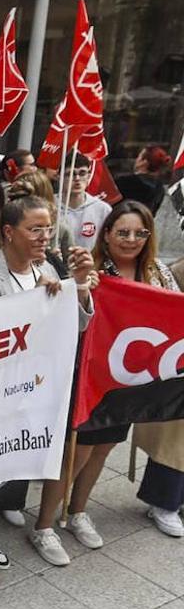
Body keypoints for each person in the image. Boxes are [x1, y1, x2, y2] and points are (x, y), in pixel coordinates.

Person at [0, 197, 98, 567]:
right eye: (34, 228)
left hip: (37, 387)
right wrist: (37, 302)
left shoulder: (49, 269)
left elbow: (77, 325)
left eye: (47, 228)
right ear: (9, 232)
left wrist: (80, 290)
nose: (44, 236)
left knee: (13, 458)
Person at [89, 202, 184, 537]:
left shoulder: (158, 272)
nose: (131, 239)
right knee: (81, 450)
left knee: (104, 448)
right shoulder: (94, 270)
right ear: (107, 234)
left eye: (139, 233)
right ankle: (52, 516)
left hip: (135, 379)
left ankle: (78, 511)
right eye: (123, 232)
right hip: (95, 376)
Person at [62, 155, 112, 251]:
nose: (77, 178)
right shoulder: (49, 206)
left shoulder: (103, 209)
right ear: (59, 176)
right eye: (70, 174)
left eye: (82, 173)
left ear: (89, 176)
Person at [115, 145, 171, 215]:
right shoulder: (160, 189)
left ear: (144, 162)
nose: (136, 159)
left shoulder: (126, 182)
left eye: (139, 156)